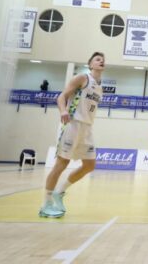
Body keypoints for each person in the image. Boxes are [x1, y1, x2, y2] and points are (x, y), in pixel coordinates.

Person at [39, 52, 105, 218]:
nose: (101, 61)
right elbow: (62, 96)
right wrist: (63, 110)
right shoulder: (82, 78)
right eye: (97, 59)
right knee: (61, 164)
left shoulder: (99, 86)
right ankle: (45, 204)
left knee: (90, 165)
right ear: (90, 64)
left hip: (87, 128)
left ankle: (59, 192)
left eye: (103, 59)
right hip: (72, 124)